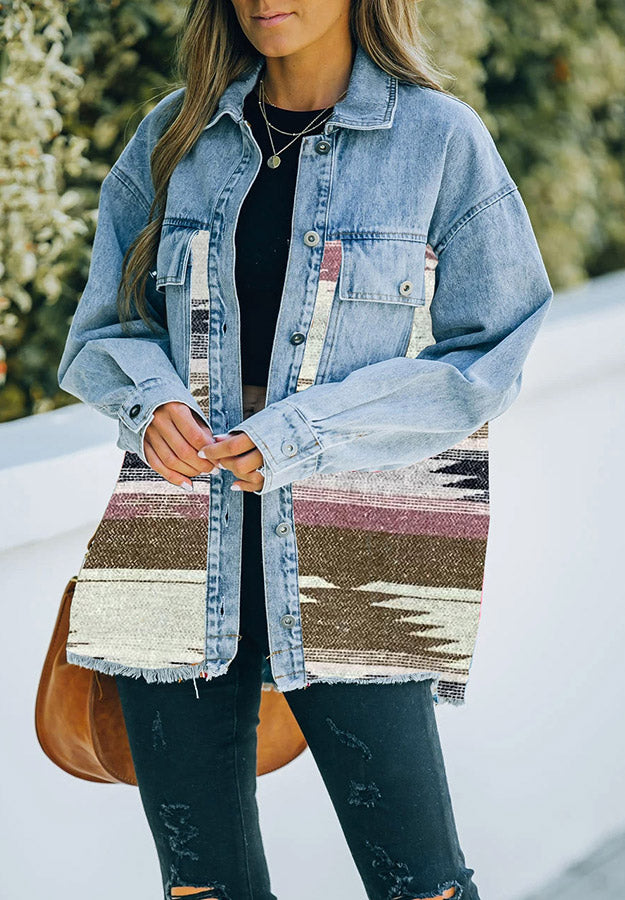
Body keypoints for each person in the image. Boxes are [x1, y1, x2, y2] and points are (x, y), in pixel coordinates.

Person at [57, 1, 554, 898]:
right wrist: (154, 400)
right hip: (170, 535)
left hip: (357, 543)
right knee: (200, 889)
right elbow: (104, 329)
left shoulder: (439, 139)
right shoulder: (175, 134)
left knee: (421, 884)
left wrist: (300, 434)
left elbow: (491, 350)